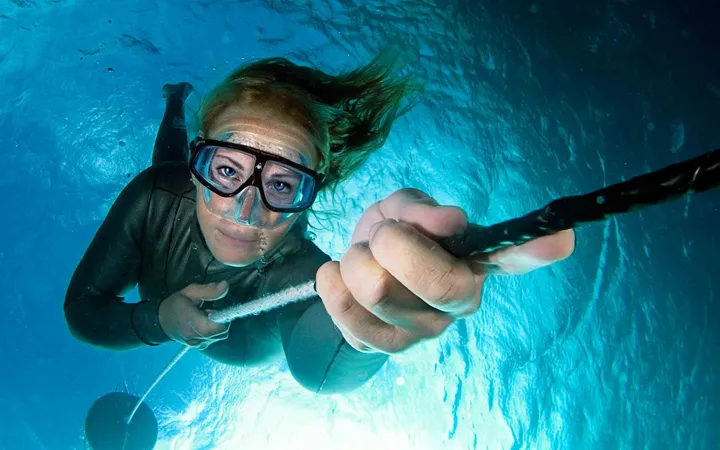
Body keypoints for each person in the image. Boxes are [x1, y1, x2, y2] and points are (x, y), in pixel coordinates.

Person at [64, 51, 576, 395]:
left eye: (281, 185)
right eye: (226, 171)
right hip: (173, 180)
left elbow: (321, 370)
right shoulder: (156, 196)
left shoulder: (303, 274)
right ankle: (176, 101)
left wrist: (368, 320)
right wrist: (157, 320)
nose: (245, 210)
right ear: (203, 166)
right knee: (166, 162)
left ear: (307, 195)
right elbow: (82, 309)